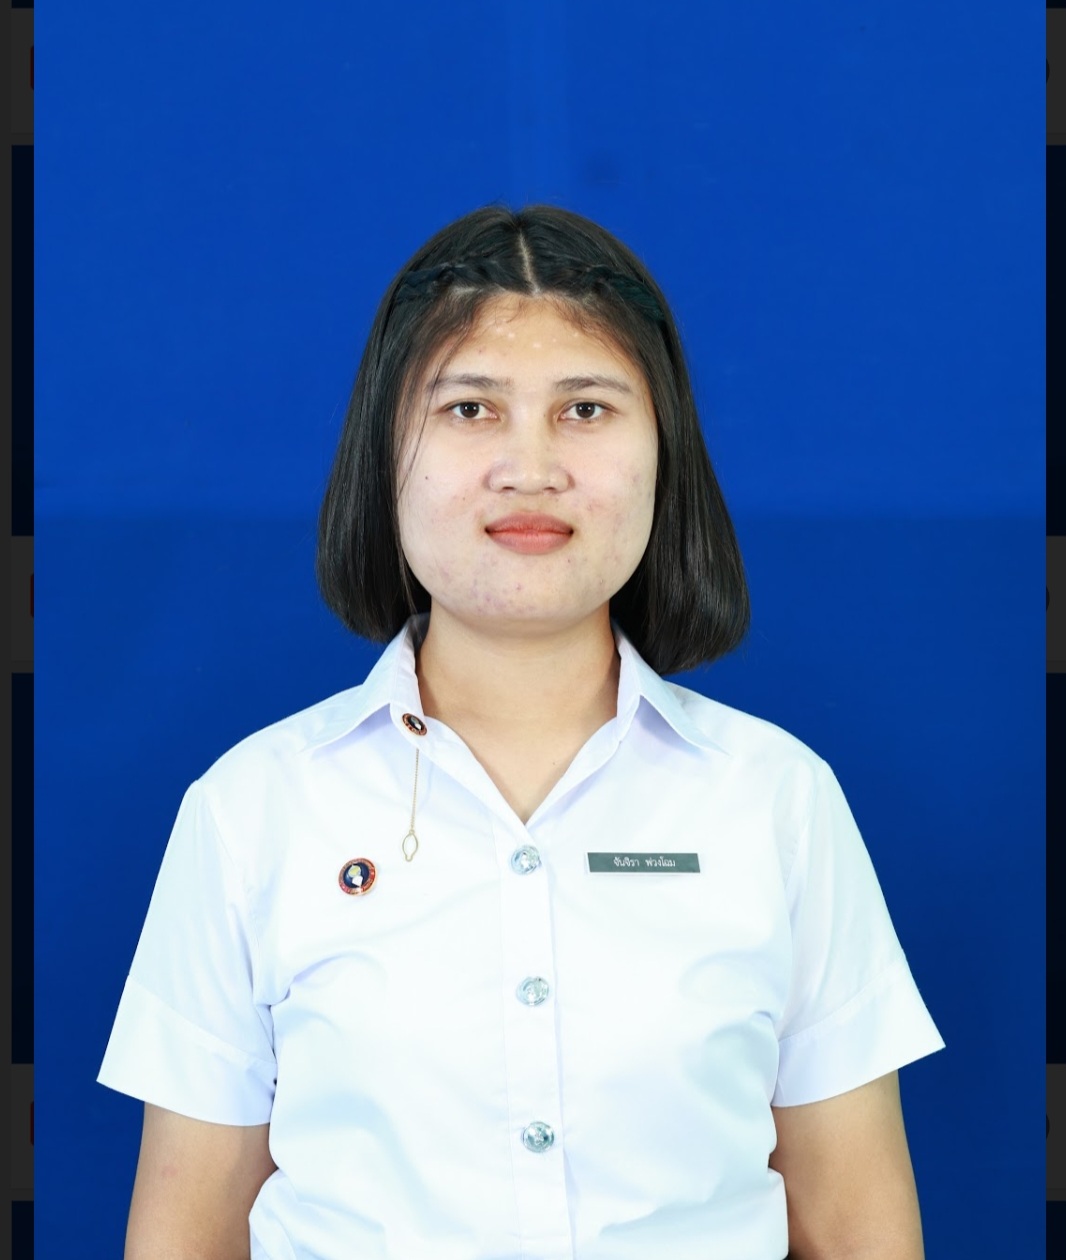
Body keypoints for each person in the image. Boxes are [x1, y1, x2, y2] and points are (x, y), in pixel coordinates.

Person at [98, 203, 944, 1260]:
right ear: (384, 452)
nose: (530, 466)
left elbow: (859, 1223)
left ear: (664, 451)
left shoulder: (776, 798)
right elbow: (186, 1233)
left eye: (586, 409)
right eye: (470, 409)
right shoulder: (253, 807)